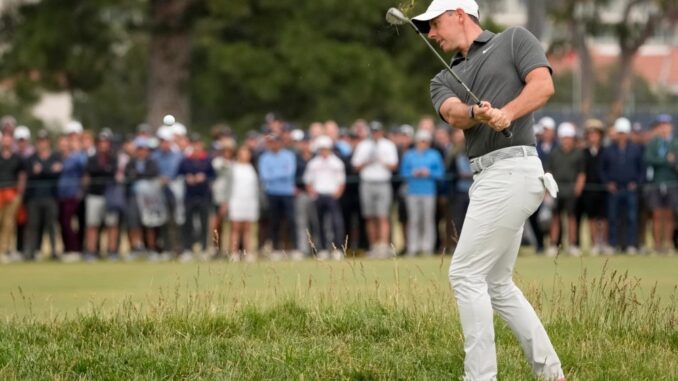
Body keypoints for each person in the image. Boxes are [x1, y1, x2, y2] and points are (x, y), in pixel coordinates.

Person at [415, 0, 564, 379]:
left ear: (459, 14)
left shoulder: (514, 39)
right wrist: (476, 114)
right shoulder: (444, 77)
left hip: (514, 169)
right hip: (487, 178)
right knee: (496, 284)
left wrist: (507, 112)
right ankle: (551, 373)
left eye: (433, 23)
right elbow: (451, 111)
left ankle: (480, 377)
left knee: (464, 274)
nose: (430, 33)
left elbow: (543, 84)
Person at [350, 121, 399, 258]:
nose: (375, 134)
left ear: (381, 132)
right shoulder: (363, 145)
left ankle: (382, 247)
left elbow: (394, 166)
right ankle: (373, 246)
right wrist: (367, 161)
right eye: (373, 131)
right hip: (367, 183)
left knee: (382, 216)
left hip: (383, 182)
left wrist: (381, 160)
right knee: (370, 216)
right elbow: (355, 166)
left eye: (377, 131)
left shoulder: (388, 145)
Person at [600, 117, 644, 254]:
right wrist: (607, 183)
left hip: (630, 188)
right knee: (613, 217)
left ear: (628, 133)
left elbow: (641, 169)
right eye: (620, 133)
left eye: (624, 133)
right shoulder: (608, 150)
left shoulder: (635, 149)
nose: (622, 136)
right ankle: (613, 244)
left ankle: (631, 244)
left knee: (631, 217)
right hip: (614, 189)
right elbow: (602, 169)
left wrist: (636, 183)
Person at [399, 130, 444, 256]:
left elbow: (440, 173)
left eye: (425, 141)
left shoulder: (434, 155)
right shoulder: (409, 155)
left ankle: (427, 248)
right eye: (421, 141)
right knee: (413, 220)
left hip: (429, 192)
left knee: (428, 220)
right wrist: (413, 173)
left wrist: (428, 172)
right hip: (412, 191)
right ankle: (413, 247)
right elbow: (403, 173)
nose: (423, 144)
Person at [303, 135, 346, 260]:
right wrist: (313, 193)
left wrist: (337, 194)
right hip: (319, 195)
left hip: (332, 196)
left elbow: (341, 182)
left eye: (326, 148)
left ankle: (337, 248)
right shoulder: (313, 163)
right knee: (319, 223)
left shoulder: (336, 162)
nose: (324, 151)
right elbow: (308, 181)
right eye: (321, 149)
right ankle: (322, 249)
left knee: (335, 223)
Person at [546, 122, 585, 257]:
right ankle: (553, 244)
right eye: (564, 137)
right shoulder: (555, 153)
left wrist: (578, 187)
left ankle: (573, 245)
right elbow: (549, 172)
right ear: (561, 138)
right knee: (555, 218)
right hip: (556, 190)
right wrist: (548, 190)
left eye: (569, 137)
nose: (567, 140)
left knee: (571, 217)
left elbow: (581, 173)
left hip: (571, 190)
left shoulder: (578, 153)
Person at [258, 133, 299, 260]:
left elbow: (290, 173)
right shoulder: (264, 158)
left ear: (280, 143)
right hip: (272, 193)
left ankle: (294, 248)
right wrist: (280, 173)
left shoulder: (289, 155)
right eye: (271, 142)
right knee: (274, 221)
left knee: (291, 221)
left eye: (276, 142)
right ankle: (275, 249)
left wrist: (274, 174)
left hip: (287, 193)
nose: (274, 144)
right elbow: (265, 176)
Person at [23, 131, 63, 261]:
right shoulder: (31, 158)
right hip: (34, 197)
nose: (42, 143)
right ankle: (32, 252)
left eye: (44, 140)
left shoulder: (55, 157)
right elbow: (31, 173)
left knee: (51, 225)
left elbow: (56, 174)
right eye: (40, 141)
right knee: (33, 225)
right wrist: (49, 170)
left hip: (50, 197)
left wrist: (42, 170)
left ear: (48, 142)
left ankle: (54, 251)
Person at [83, 130, 120, 261]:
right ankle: (91, 252)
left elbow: (112, 172)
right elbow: (91, 172)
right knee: (92, 225)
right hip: (94, 195)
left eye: (106, 142)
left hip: (110, 196)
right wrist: (104, 171)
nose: (104, 145)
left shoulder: (114, 158)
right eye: (101, 142)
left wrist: (102, 171)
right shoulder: (91, 158)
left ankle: (112, 251)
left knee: (112, 225)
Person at [643, 114, 677, 254]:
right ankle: (657, 245)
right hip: (656, 184)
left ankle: (667, 244)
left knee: (669, 215)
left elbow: (675, 162)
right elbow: (649, 159)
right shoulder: (653, 143)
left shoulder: (675, 143)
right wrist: (665, 160)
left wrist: (669, 161)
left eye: (666, 125)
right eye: (661, 125)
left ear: (671, 127)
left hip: (672, 183)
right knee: (656, 214)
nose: (663, 128)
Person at [177, 134, 215, 261]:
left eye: (198, 143)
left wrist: (203, 177)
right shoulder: (185, 160)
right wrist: (187, 177)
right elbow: (179, 174)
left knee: (204, 223)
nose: (196, 146)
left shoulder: (207, 160)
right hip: (189, 196)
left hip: (203, 196)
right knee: (188, 223)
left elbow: (213, 175)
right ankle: (187, 249)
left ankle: (204, 249)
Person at [580, 119, 608, 255]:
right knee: (591, 217)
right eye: (590, 134)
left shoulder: (605, 151)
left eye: (595, 134)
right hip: (588, 190)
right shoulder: (583, 152)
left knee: (603, 218)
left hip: (603, 189)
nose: (593, 137)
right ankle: (594, 244)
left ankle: (603, 243)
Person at [228, 146, 259, 262]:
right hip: (236, 200)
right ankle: (233, 252)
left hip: (250, 201)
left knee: (248, 228)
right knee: (235, 228)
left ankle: (248, 252)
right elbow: (229, 186)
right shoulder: (234, 168)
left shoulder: (252, 168)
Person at [0, 133, 25, 262]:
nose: (6, 143)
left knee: (8, 223)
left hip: (12, 193)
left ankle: (3, 251)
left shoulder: (17, 158)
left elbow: (22, 175)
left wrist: (19, 193)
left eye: (9, 140)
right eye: (5, 140)